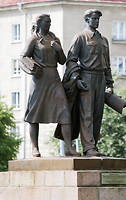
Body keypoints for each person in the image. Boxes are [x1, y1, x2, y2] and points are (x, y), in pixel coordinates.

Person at [20, 14, 80, 157]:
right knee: (34, 114)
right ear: (39, 24)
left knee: (65, 111)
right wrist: (31, 66)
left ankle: (69, 148)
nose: (49, 24)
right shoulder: (34, 39)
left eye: (50, 22)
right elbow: (23, 56)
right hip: (39, 80)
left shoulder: (54, 39)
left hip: (54, 78)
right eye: (47, 22)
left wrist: (59, 49)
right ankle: (35, 148)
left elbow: (62, 61)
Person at [56, 9, 114, 157]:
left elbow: (107, 64)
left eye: (98, 19)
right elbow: (71, 61)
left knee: (97, 115)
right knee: (86, 114)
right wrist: (77, 79)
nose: (96, 21)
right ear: (87, 20)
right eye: (94, 19)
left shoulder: (103, 40)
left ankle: (93, 145)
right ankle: (88, 148)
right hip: (86, 77)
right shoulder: (80, 37)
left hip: (100, 79)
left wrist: (109, 84)